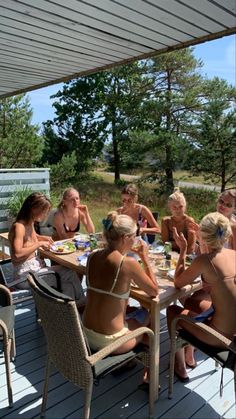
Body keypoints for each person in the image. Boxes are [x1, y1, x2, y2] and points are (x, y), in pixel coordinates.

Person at [82, 211, 158, 371]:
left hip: (85, 334)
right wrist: (145, 258)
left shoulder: (92, 257)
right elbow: (153, 291)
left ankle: (129, 362)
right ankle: (149, 376)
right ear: (125, 238)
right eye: (134, 235)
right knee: (151, 315)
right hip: (110, 343)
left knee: (132, 312)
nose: (136, 239)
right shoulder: (127, 263)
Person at [167, 212, 236, 382]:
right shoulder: (233, 253)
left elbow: (178, 283)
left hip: (220, 337)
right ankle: (189, 354)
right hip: (233, 331)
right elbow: (213, 259)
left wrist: (183, 249)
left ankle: (180, 365)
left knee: (172, 311)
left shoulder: (205, 261)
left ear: (203, 236)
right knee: (191, 302)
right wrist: (203, 239)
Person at [9, 192, 85, 307]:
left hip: (35, 270)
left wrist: (42, 237)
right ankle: (82, 304)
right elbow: (17, 255)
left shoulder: (29, 223)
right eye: (44, 211)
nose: (45, 215)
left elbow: (30, 239)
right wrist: (39, 244)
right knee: (68, 273)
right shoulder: (19, 227)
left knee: (67, 284)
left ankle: (69, 313)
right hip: (25, 277)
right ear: (33, 209)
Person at [161, 188, 196, 254]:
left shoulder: (189, 221)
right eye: (174, 207)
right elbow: (165, 244)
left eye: (180, 207)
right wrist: (182, 244)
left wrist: (181, 257)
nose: (178, 210)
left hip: (186, 255)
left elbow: (191, 247)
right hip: (170, 254)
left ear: (185, 207)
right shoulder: (166, 221)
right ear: (169, 207)